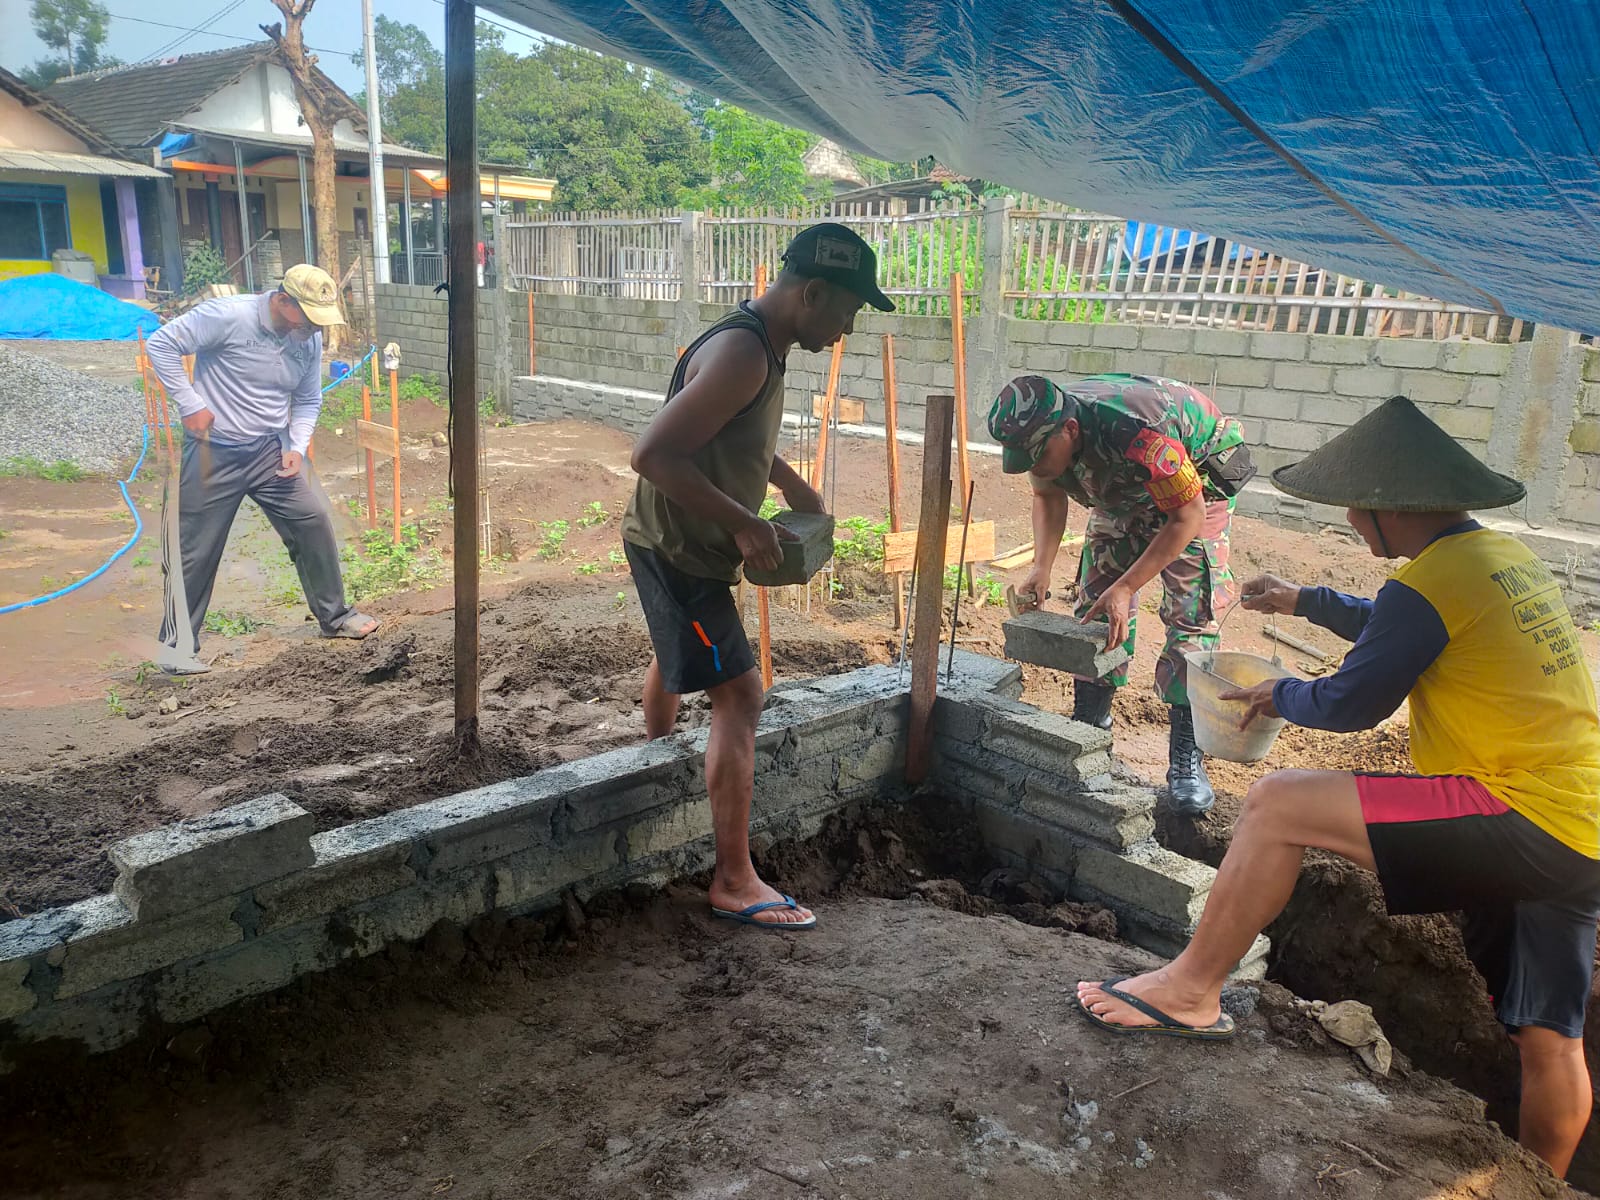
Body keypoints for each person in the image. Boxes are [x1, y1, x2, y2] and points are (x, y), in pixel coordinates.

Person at [1074, 396, 1600, 1180]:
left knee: (1278, 803)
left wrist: (1280, 693)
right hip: (1580, 824)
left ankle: (1189, 990)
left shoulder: (1430, 584)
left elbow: (1353, 703)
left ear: (1394, 509)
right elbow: (1402, 620)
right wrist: (1305, 601)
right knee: (1548, 1038)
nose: (1351, 521)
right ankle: (1540, 1183)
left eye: (1357, 507)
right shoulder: (1495, 560)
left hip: (1522, 808)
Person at [621, 223, 893, 930]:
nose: (848, 328)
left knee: (679, 643)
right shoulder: (745, 353)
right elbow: (653, 454)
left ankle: (654, 754)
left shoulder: (759, 345)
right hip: (679, 546)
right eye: (847, 311)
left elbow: (729, 431)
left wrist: (794, 489)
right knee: (741, 695)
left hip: (676, 541)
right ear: (812, 293)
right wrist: (745, 522)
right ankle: (735, 880)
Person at [986, 373, 1255, 814]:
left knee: (1191, 619)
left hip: (1196, 493)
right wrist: (1041, 566)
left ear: (1069, 430)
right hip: (1122, 494)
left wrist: (1128, 585)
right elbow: (1048, 496)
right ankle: (1091, 727)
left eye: (1038, 456)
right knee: (1095, 608)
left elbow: (1186, 518)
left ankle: (1186, 759)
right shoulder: (1047, 437)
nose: (1034, 466)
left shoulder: (1141, 436)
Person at [146, 263, 379, 668]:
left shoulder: (305, 340)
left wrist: (297, 445)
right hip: (211, 453)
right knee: (195, 550)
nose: (312, 328)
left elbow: (308, 400)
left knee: (312, 520)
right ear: (282, 300)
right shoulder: (226, 316)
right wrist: (191, 403)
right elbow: (161, 344)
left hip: (269, 453)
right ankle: (177, 648)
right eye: (306, 317)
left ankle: (335, 615)